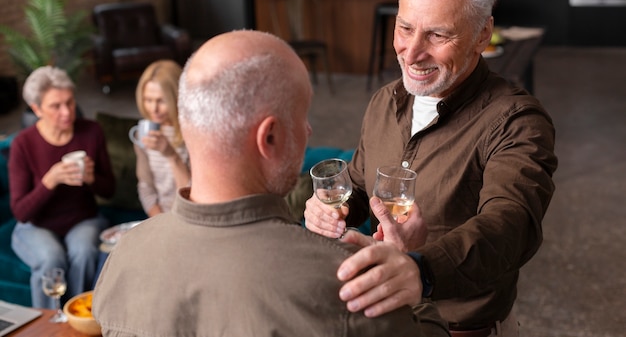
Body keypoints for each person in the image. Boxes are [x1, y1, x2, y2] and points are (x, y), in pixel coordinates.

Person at [93, 30, 449, 336]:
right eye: (302, 116)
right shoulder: (345, 280)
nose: (309, 131)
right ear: (271, 137)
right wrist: (402, 265)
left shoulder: (124, 258)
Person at [304, 0, 558, 337]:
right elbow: (356, 182)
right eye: (405, 28)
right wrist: (332, 210)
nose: (412, 52)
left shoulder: (517, 121)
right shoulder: (384, 101)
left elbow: (511, 225)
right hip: (383, 323)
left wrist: (420, 272)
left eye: (438, 35)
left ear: (482, 35)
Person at [9, 66, 115, 308]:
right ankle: (50, 330)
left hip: (83, 219)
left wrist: (91, 178)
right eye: (56, 106)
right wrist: (50, 181)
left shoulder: (91, 131)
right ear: (36, 109)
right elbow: (21, 212)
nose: (67, 112)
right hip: (35, 225)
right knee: (51, 258)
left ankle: (77, 319)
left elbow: (109, 190)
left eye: (70, 102)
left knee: (85, 252)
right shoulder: (23, 145)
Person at [133, 59, 190, 216]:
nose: (153, 109)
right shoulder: (142, 136)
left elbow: (191, 194)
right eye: (148, 100)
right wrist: (159, 222)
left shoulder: (192, 134)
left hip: (189, 216)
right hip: (161, 218)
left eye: (161, 101)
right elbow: (146, 187)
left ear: (176, 97)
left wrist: (171, 155)